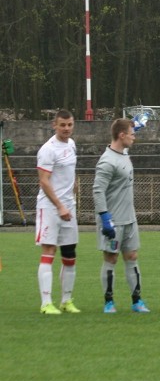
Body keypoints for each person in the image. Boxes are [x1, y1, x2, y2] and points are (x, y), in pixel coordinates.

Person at [93, 118, 150, 313]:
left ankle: (137, 300)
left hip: (130, 219)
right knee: (111, 259)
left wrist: (135, 125)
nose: (134, 137)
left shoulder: (123, 151)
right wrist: (104, 216)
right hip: (113, 220)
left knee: (132, 256)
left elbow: (127, 137)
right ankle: (109, 301)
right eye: (131, 134)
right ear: (121, 135)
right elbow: (97, 191)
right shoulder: (107, 161)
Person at [35, 110, 80, 314]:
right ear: (55, 125)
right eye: (62, 125)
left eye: (69, 125)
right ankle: (46, 303)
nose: (66, 129)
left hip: (68, 206)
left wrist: (74, 189)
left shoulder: (71, 145)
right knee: (49, 251)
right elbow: (44, 181)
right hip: (50, 207)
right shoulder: (48, 149)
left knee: (70, 254)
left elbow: (69, 172)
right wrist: (59, 206)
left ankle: (66, 300)